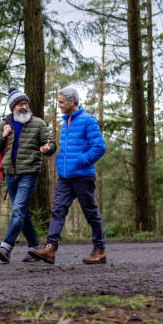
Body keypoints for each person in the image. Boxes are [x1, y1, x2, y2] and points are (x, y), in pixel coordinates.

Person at [29, 86, 107, 265]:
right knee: (57, 209)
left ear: (72, 102)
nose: (59, 105)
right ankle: (50, 248)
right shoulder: (66, 121)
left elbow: (99, 147)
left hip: (82, 176)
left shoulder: (88, 121)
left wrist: (81, 160)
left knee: (90, 212)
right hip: (65, 176)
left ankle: (100, 249)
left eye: (61, 102)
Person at [0, 87, 56, 263]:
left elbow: (51, 143)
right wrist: (3, 135)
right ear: (13, 107)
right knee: (23, 212)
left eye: (25, 103)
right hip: (10, 174)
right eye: (20, 104)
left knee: (18, 209)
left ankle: (6, 246)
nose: (24, 107)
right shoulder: (6, 124)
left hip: (29, 172)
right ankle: (34, 248)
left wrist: (49, 149)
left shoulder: (38, 124)